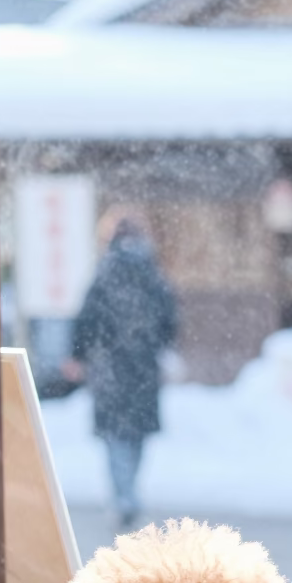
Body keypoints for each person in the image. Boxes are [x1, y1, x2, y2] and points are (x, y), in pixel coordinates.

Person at [70, 214, 178, 528]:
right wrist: (156, 345)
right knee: (137, 434)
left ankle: (123, 495)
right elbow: (169, 318)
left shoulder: (105, 272)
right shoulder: (152, 272)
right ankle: (130, 491)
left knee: (115, 435)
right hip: (143, 366)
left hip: (109, 366)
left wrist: (79, 354)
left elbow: (87, 318)